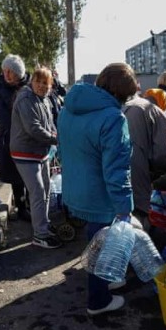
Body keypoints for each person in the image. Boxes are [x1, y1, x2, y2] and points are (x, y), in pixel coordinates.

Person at [57, 62, 137, 316]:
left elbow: (62, 149)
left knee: (96, 241)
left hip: (75, 189)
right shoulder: (113, 118)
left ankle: (106, 281)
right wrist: (125, 207)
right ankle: (98, 300)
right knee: (103, 246)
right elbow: (117, 171)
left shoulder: (68, 109)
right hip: (100, 197)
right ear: (123, 93)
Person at [10, 66, 61, 249]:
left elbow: (49, 123)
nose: (41, 86)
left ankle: (44, 225)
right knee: (38, 191)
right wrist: (57, 139)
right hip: (25, 152)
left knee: (46, 190)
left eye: (45, 83)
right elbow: (33, 128)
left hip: (41, 152)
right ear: (32, 81)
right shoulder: (25, 99)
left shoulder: (45, 99)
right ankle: (40, 235)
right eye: (38, 81)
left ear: (50, 85)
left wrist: (55, 134)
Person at [123, 91, 166, 230]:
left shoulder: (127, 106)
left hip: (121, 168)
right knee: (142, 215)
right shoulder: (157, 112)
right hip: (140, 170)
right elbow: (161, 153)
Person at [0, 55, 30, 221]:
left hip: (30, 136)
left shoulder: (30, 84)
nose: (6, 75)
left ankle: (30, 203)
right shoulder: (0, 87)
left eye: (11, 72)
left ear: (19, 73)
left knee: (30, 172)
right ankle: (21, 208)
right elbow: (2, 115)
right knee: (16, 174)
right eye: (4, 71)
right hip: (11, 135)